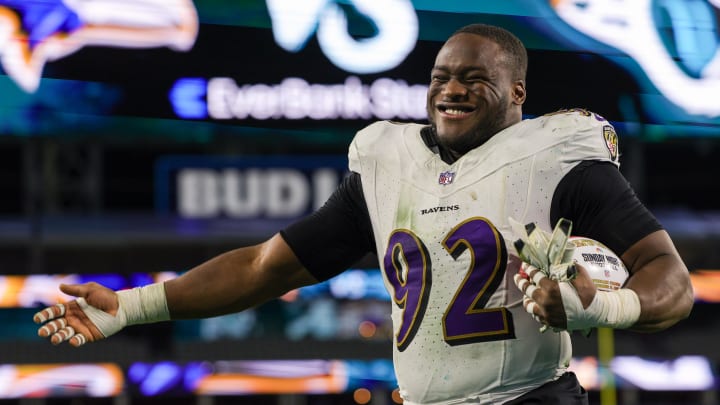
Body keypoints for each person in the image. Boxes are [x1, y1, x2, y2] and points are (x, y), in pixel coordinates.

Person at [33, 23, 694, 404]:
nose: (453, 88)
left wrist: (600, 307)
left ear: (518, 93)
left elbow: (670, 277)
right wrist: (132, 306)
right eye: (441, 75)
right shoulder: (389, 165)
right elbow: (266, 265)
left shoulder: (557, 158)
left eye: (475, 77)